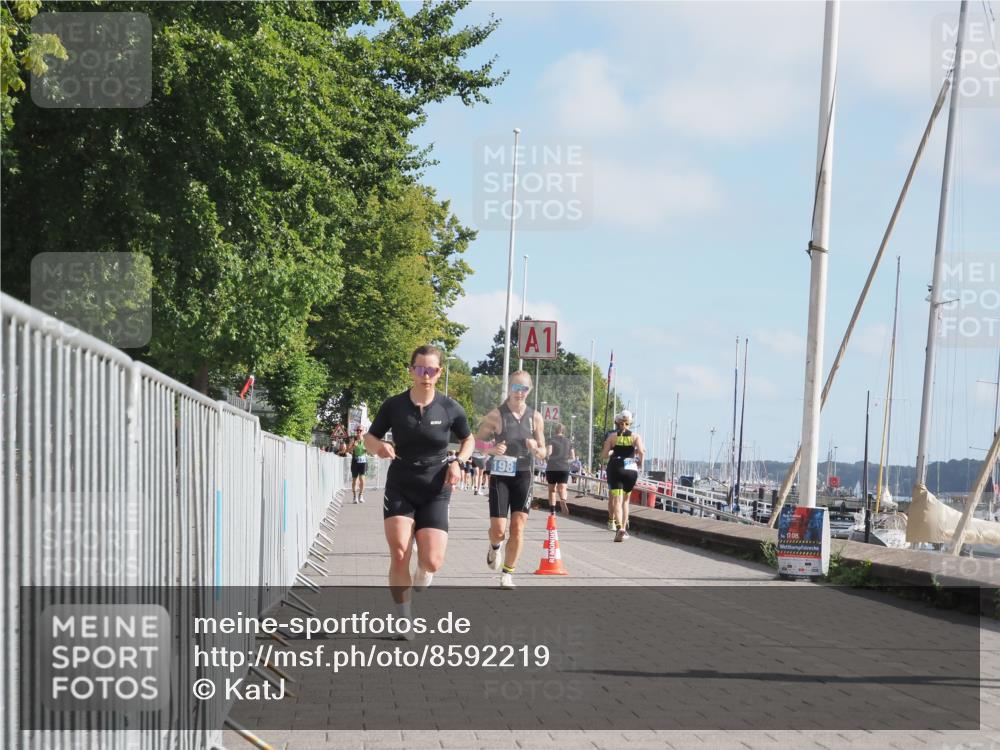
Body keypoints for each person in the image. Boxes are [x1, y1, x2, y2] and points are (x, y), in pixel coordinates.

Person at [364, 345, 474, 625]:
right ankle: (404, 618)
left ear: (439, 372)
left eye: (432, 370)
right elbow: (369, 438)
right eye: (421, 369)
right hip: (401, 484)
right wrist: (379, 446)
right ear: (411, 371)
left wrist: (458, 462)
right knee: (400, 551)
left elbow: (468, 440)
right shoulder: (394, 405)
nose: (426, 375)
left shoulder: (450, 408)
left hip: (436, 488)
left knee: (433, 560)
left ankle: (425, 570)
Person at [476, 370, 546, 590]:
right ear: (509, 387)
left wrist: (536, 449)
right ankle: (494, 546)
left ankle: (507, 573)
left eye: (524, 389)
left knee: (517, 527)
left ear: (530, 390)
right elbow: (475, 442)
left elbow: (543, 451)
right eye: (516, 387)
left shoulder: (535, 417)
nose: (519, 393)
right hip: (501, 475)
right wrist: (491, 449)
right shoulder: (496, 415)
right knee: (499, 530)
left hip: (524, 474)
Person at [601, 410, 645, 542]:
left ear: (618, 422)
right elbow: (641, 452)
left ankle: (619, 527)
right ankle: (624, 528)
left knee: (617, 500)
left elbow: (604, 455)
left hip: (615, 468)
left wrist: (612, 451)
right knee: (626, 501)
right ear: (630, 423)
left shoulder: (612, 437)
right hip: (631, 469)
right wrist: (640, 464)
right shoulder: (636, 437)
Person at [545, 423, 574, 515]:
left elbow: (548, 452)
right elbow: (573, 457)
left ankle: (552, 511)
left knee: (552, 490)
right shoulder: (569, 441)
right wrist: (566, 462)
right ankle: (563, 500)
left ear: (555, 430)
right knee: (563, 488)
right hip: (564, 467)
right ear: (564, 431)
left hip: (552, 467)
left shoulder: (551, 439)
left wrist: (547, 459)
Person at [346, 425, 369, 503]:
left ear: (363, 431)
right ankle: (354, 497)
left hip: (363, 462)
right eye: (357, 430)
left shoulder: (365, 440)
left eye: (360, 430)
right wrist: (353, 446)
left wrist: (367, 450)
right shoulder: (353, 439)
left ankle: (361, 495)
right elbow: (347, 450)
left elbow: (371, 452)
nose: (358, 432)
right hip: (355, 461)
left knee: (362, 479)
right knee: (354, 480)